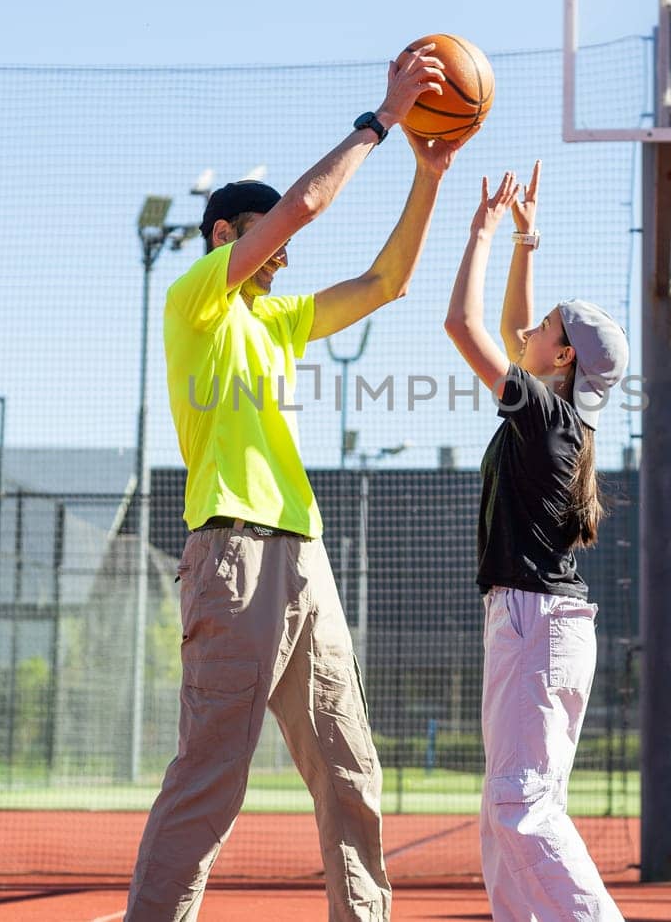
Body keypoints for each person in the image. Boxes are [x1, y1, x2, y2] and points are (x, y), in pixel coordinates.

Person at [126, 45, 468, 922]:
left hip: (302, 558)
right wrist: (384, 119)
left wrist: (428, 174)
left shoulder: (275, 322)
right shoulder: (195, 299)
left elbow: (388, 282)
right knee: (210, 782)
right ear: (224, 238)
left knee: (352, 772)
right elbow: (308, 207)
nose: (280, 259)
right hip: (233, 555)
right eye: (264, 239)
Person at [443, 160, 630, 921]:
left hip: (534, 620)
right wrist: (526, 238)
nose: (532, 330)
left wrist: (481, 233)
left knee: (519, 805)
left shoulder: (546, 419)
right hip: (535, 621)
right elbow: (522, 332)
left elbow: (464, 325)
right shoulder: (560, 418)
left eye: (548, 326)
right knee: (508, 811)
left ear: (561, 359)